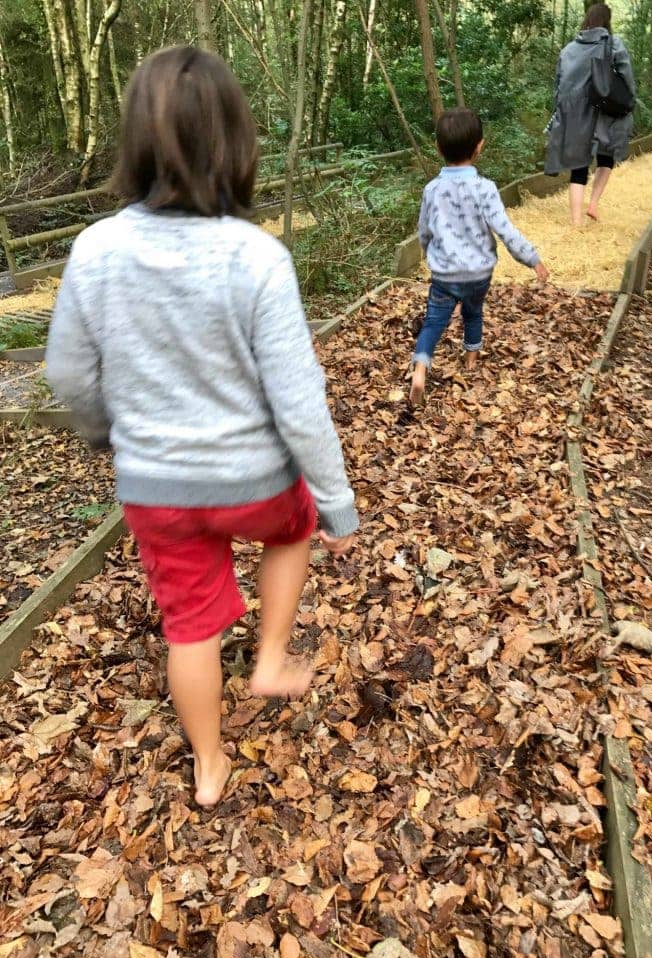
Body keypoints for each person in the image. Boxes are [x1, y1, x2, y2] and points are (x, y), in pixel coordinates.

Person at [46, 47, 358, 808]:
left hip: (157, 489)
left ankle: (210, 765)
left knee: (190, 625)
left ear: (135, 143)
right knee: (295, 528)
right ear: (236, 143)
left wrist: (104, 438)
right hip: (254, 481)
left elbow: (66, 375)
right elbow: (299, 399)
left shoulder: (95, 251)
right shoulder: (256, 257)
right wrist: (337, 502)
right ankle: (273, 659)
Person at [410, 108, 549, 406]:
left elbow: (424, 229)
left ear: (438, 148)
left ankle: (420, 369)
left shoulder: (432, 189)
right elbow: (504, 229)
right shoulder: (485, 189)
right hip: (478, 275)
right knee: (473, 313)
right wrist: (531, 258)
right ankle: (471, 360)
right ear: (479, 147)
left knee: (433, 322)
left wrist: (426, 252)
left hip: (444, 275)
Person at [545, 4, 636, 227]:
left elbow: (559, 87)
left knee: (579, 166)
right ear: (607, 21)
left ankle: (576, 222)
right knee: (607, 157)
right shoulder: (614, 45)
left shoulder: (568, 50)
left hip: (577, 116)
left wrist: (560, 113)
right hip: (605, 112)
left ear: (586, 21)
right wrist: (630, 101)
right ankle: (593, 204)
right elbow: (626, 78)